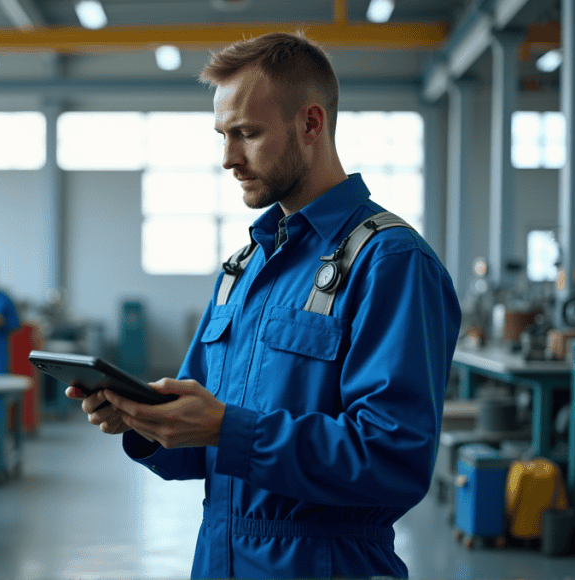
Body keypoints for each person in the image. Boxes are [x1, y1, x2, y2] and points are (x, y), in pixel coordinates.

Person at [67, 32, 461, 579]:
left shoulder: (389, 262)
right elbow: (200, 437)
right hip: (220, 560)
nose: (229, 158)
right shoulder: (243, 268)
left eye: (247, 134)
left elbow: (392, 460)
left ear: (311, 124)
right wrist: (144, 420)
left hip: (327, 564)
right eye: (223, 135)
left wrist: (226, 429)